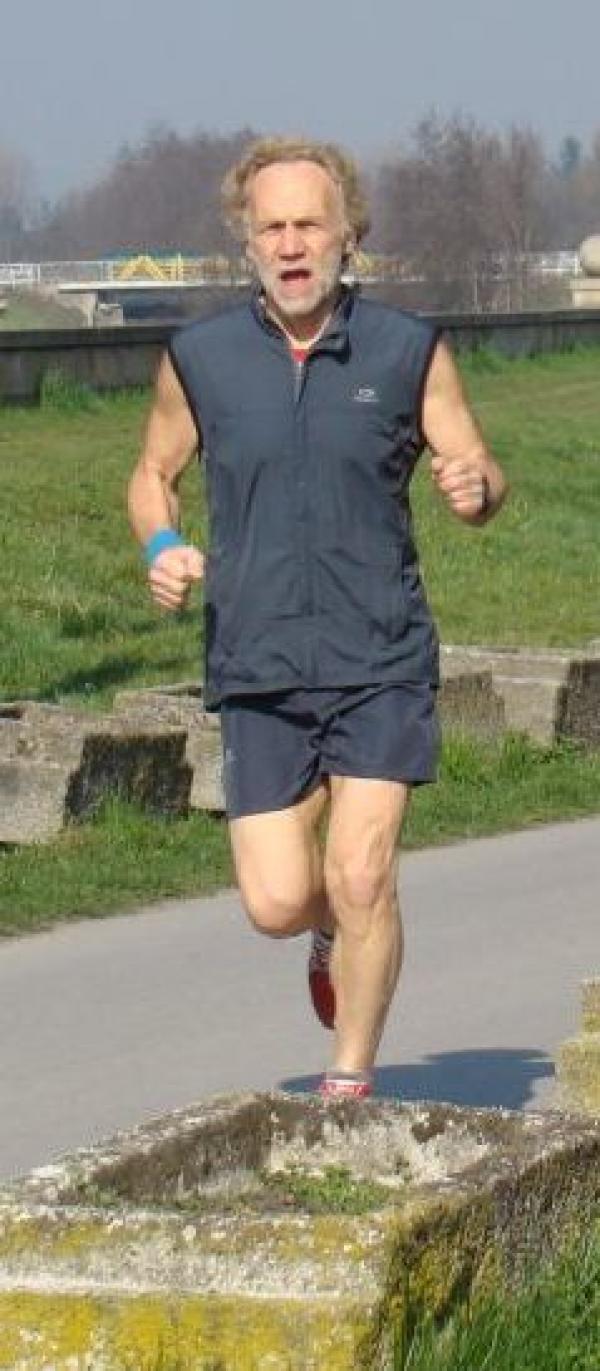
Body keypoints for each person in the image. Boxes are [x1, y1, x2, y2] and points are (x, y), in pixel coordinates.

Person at [128, 137, 507, 1100]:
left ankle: (349, 1084)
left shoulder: (407, 350)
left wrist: (475, 487)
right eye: (272, 227)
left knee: (363, 872)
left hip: (379, 654)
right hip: (256, 660)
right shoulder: (200, 358)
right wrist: (159, 543)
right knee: (278, 899)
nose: (292, 245)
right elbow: (153, 472)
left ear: (348, 235)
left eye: (309, 224)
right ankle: (327, 931)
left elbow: (478, 466)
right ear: (247, 240)